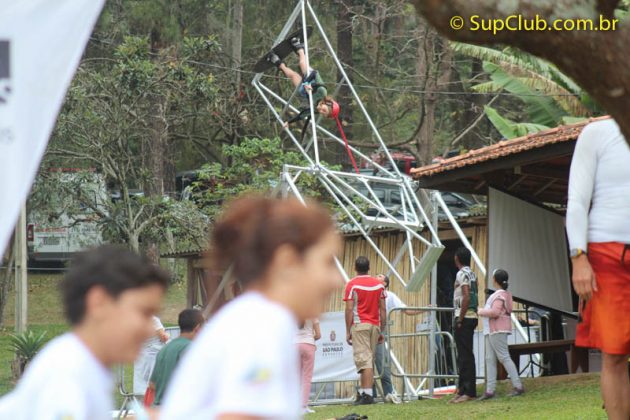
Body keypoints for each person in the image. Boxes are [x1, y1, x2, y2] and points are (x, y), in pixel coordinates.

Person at [160, 196, 342, 419]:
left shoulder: (262, 320)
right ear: (288, 263)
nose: (337, 280)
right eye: (327, 262)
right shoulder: (259, 327)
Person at [0, 245, 169, 420]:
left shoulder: (85, 368)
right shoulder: (68, 377)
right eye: (144, 312)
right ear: (99, 302)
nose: (150, 328)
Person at [566, 118, 630, 420]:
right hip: (608, 255)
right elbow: (577, 200)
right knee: (615, 353)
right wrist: (579, 256)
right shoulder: (597, 133)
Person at [343, 256, 386, 405]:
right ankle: (364, 393)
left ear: (355, 267)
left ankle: (367, 395)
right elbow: (383, 309)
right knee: (368, 360)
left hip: (360, 324)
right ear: (369, 267)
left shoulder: (352, 285)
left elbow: (349, 309)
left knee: (364, 360)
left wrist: (348, 330)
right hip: (375, 325)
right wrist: (382, 330)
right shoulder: (379, 285)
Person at [266, 36, 336, 125]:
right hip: (311, 78)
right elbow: (315, 73)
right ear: (327, 103)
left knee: (291, 75)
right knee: (302, 64)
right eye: (324, 110)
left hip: (303, 90)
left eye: (323, 113)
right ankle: (299, 47)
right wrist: (307, 83)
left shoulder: (315, 109)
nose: (321, 111)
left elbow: (303, 115)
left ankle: (275, 60)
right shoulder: (322, 92)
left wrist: (289, 122)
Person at [477, 269, 524, 400]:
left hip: (497, 329)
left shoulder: (499, 295)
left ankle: (518, 386)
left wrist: (480, 311)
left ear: (494, 280)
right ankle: (490, 390)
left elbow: (495, 312)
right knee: (490, 359)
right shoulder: (504, 294)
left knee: (503, 357)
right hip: (492, 330)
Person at [372, 274, 419, 404]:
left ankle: (389, 393)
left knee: (383, 364)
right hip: (367, 330)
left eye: (380, 276)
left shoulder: (390, 296)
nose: (376, 276)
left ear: (385, 283)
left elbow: (406, 310)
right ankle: (370, 395)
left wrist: (423, 309)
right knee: (366, 365)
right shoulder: (369, 292)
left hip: (380, 331)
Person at [148, 309, 205, 406]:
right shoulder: (192, 349)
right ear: (198, 328)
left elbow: (152, 385)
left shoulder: (164, 349)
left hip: (159, 410)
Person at [450, 247, 479, 404]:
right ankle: (462, 390)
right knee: (464, 354)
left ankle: (468, 391)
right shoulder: (472, 273)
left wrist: (460, 318)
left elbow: (467, 296)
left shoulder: (461, 274)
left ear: (457, 258)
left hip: (465, 317)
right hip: (472, 316)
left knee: (465, 355)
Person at [134, 315, 169, 395]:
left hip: (141, 352)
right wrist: (168, 335)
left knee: (141, 379)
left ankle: (141, 399)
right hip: (154, 353)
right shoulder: (153, 319)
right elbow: (163, 337)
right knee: (154, 380)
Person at [296, 318, 321, 414]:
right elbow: (318, 335)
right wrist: (309, 339)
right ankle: (303, 406)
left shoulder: (293, 312)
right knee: (307, 377)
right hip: (308, 344)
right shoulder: (312, 313)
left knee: (296, 377)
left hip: (294, 345)